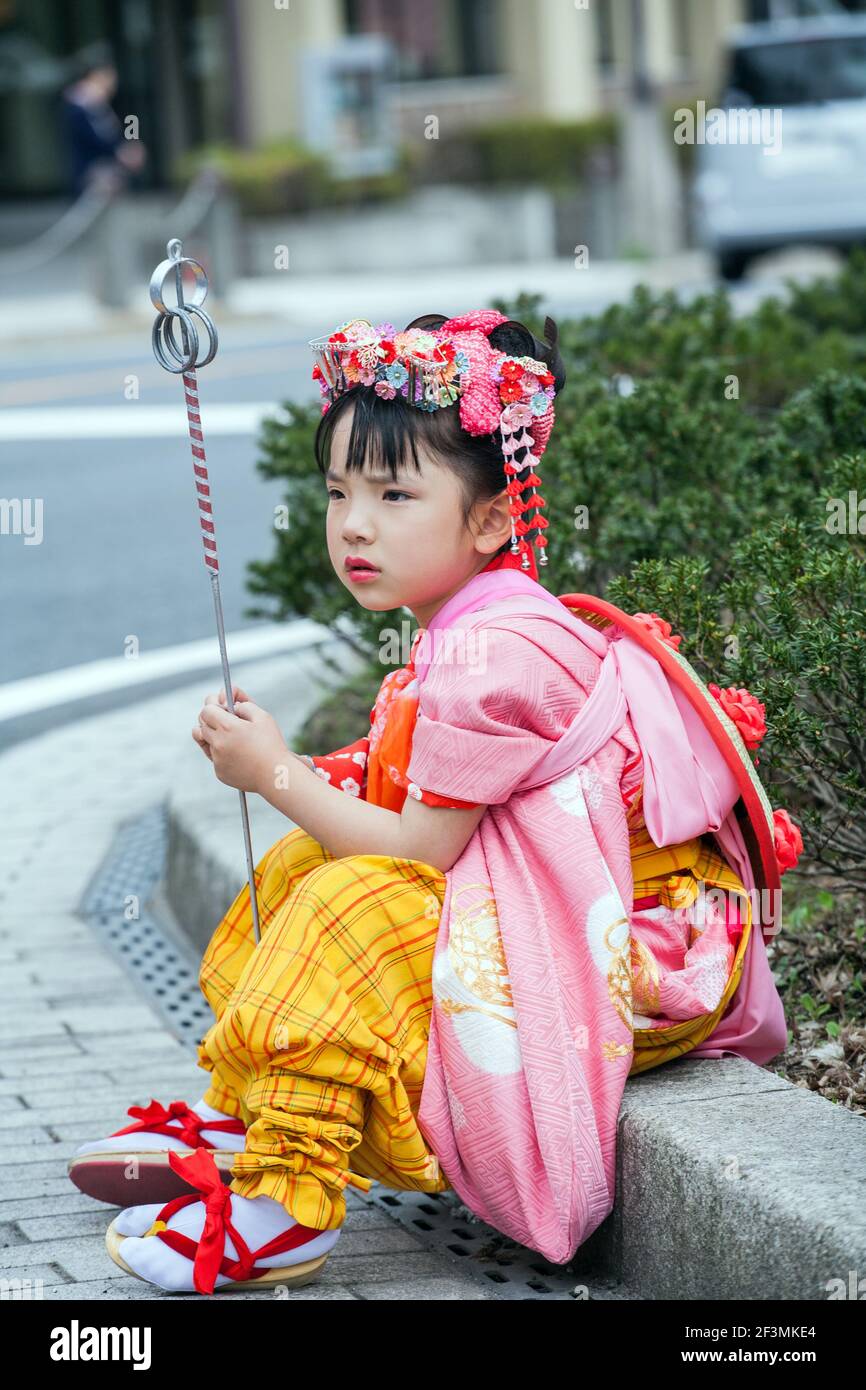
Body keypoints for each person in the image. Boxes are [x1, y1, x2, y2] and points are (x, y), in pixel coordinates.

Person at [68, 310, 799, 1294]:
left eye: (393, 492)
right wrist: (293, 777)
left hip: (638, 950)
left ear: (492, 517)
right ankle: (253, 1112)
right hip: (580, 907)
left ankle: (287, 1201)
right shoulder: (469, 624)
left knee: (350, 906)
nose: (353, 523)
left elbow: (418, 851)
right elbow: (407, 804)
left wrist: (272, 773)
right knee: (301, 869)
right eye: (336, 491)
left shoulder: (485, 653)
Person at [59, 43, 146, 197]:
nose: (113, 81)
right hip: (92, 174)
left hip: (110, 170)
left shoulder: (106, 103)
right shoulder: (80, 104)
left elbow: (127, 124)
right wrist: (120, 151)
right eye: (108, 75)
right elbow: (94, 137)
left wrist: (130, 143)